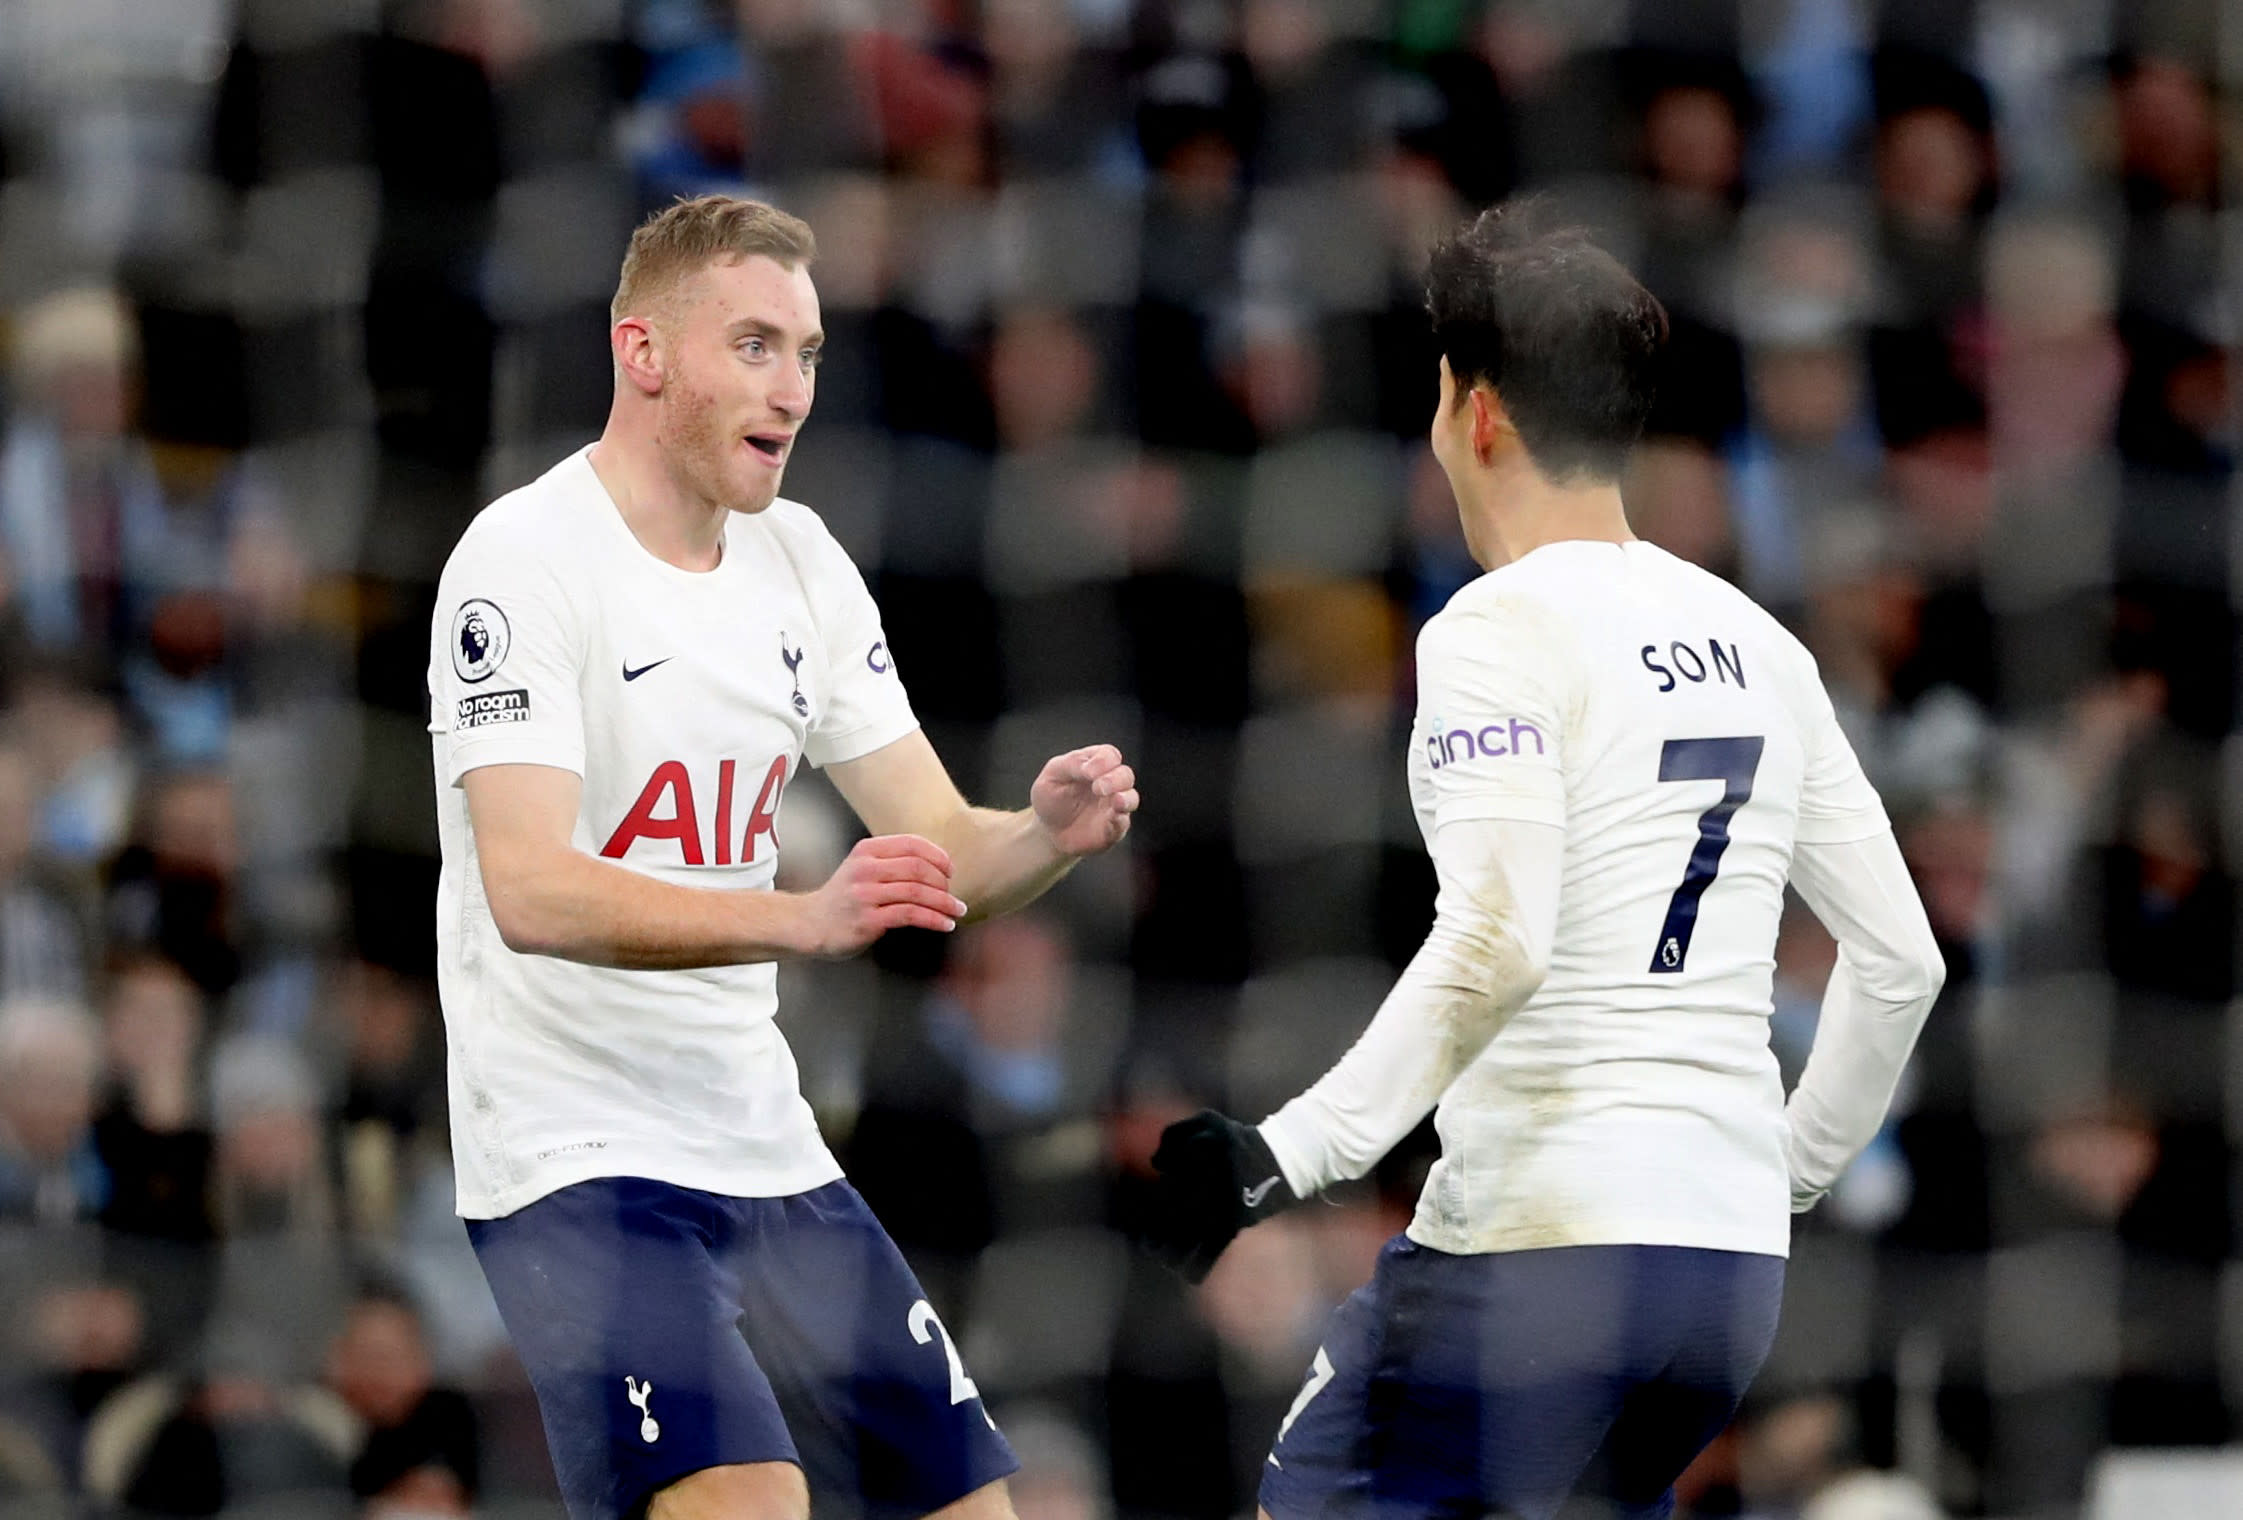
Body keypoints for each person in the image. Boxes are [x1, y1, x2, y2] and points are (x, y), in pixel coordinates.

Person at [1128, 201, 1944, 1519]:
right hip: (1721, 1282)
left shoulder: (1492, 631)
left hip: (1542, 1250)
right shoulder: (1760, 644)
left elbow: (1501, 941)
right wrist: (1769, 1173)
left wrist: (1286, 1154)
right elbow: (1903, 961)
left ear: (1479, 413)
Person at [427, 196, 1138, 1520]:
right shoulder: (522, 563)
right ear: (643, 353)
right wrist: (799, 920)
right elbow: (525, 889)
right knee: (753, 1507)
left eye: (805, 352)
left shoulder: (799, 559)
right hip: (577, 1157)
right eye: (753, 345)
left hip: (762, 1140)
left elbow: (940, 851)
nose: (793, 389)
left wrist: (1042, 831)